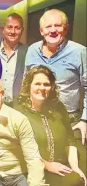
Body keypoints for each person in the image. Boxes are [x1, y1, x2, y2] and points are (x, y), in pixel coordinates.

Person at [15, 65, 86, 186]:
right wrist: (48, 165)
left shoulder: (58, 107)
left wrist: (75, 167)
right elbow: (17, 149)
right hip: (33, 170)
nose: (42, 88)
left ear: (52, 87)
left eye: (46, 84)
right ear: (29, 86)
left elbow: (70, 140)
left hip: (62, 166)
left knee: (80, 177)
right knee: (71, 185)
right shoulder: (19, 112)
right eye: (37, 84)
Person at [25, 9, 87, 146]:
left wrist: (85, 120)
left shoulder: (79, 52)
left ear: (66, 28)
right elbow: (26, 83)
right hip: (36, 118)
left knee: (72, 162)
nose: (53, 30)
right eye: (48, 26)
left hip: (69, 121)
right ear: (41, 31)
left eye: (58, 25)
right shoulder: (32, 50)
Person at [0, 13, 28, 107]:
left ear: (22, 30)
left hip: (18, 106)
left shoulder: (28, 52)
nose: (13, 31)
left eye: (17, 28)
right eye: (9, 27)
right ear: (2, 29)